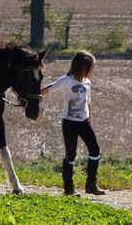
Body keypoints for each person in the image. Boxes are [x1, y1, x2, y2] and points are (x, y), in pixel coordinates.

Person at [41, 50, 106, 196]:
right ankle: (69, 189)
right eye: (91, 67)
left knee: (95, 150)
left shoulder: (88, 83)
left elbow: (88, 102)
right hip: (69, 123)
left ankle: (91, 185)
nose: (92, 71)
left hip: (84, 123)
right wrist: (31, 95)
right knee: (70, 155)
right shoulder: (66, 80)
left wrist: (89, 118)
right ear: (84, 67)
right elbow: (48, 89)